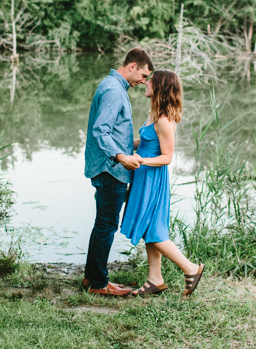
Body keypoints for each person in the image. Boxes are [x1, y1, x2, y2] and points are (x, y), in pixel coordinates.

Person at [120, 69, 205, 296]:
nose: (145, 83)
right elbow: (146, 143)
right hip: (144, 175)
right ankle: (155, 279)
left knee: (154, 230)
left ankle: (190, 268)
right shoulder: (154, 115)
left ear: (160, 88)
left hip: (152, 178)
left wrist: (140, 160)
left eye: (151, 81)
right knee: (150, 227)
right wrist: (124, 145)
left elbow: (167, 157)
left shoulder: (164, 121)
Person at [82, 48, 154, 296]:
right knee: (106, 225)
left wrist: (139, 145)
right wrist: (121, 157)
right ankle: (99, 284)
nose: (143, 81)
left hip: (107, 166)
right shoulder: (114, 90)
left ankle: (91, 277)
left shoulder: (113, 85)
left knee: (101, 224)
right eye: (143, 75)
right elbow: (101, 131)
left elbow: (112, 132)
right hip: (110, 169)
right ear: (132, 66)